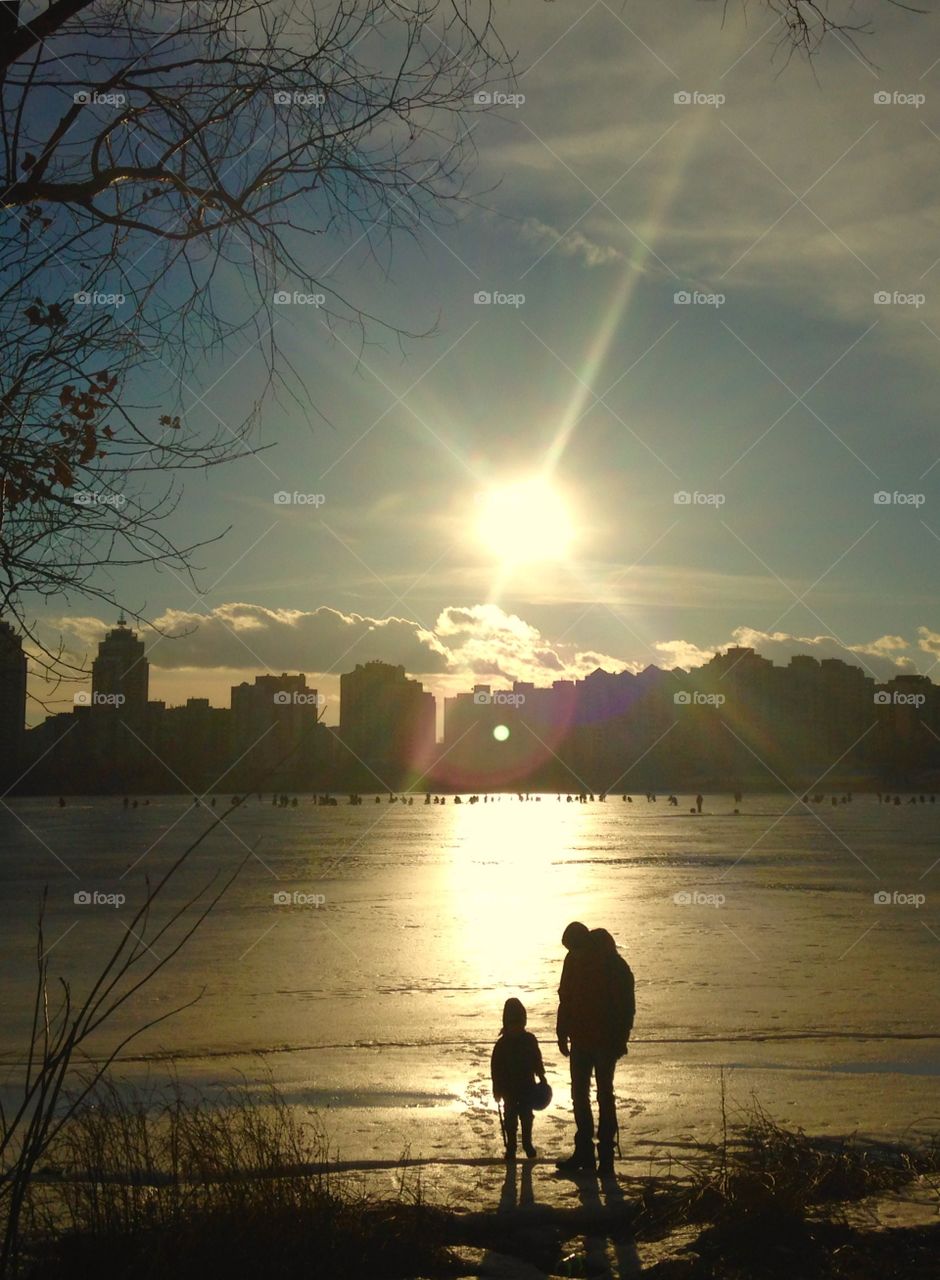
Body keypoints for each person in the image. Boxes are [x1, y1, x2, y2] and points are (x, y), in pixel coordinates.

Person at [555, 922, 635, 1177]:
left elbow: (626, 1008)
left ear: (584, 943)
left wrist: (620, 1039)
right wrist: (562, 1031)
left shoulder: (614, 965)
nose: (572, 953)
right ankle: (585, 1154)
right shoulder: (572, 961)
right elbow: (564, 997)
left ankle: (606, 1159)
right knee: (579, 1095)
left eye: (574, 949)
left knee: (604, 1095)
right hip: (580, 1039)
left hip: (605, 1042)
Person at [491, 997, 546, 1161]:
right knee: (510, 1118)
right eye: (512, 1023)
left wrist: (542, 1076)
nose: (516, 1027)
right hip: (508, 1089)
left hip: (527, 1086)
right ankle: (512, 1146)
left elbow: (537, 1060)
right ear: (506, 1024)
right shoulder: (501, 1045)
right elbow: (496, 1069)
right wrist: (497, 1089)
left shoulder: (529, 1040)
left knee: (526, 1116)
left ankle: (527, 1143)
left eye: (519, 1023)